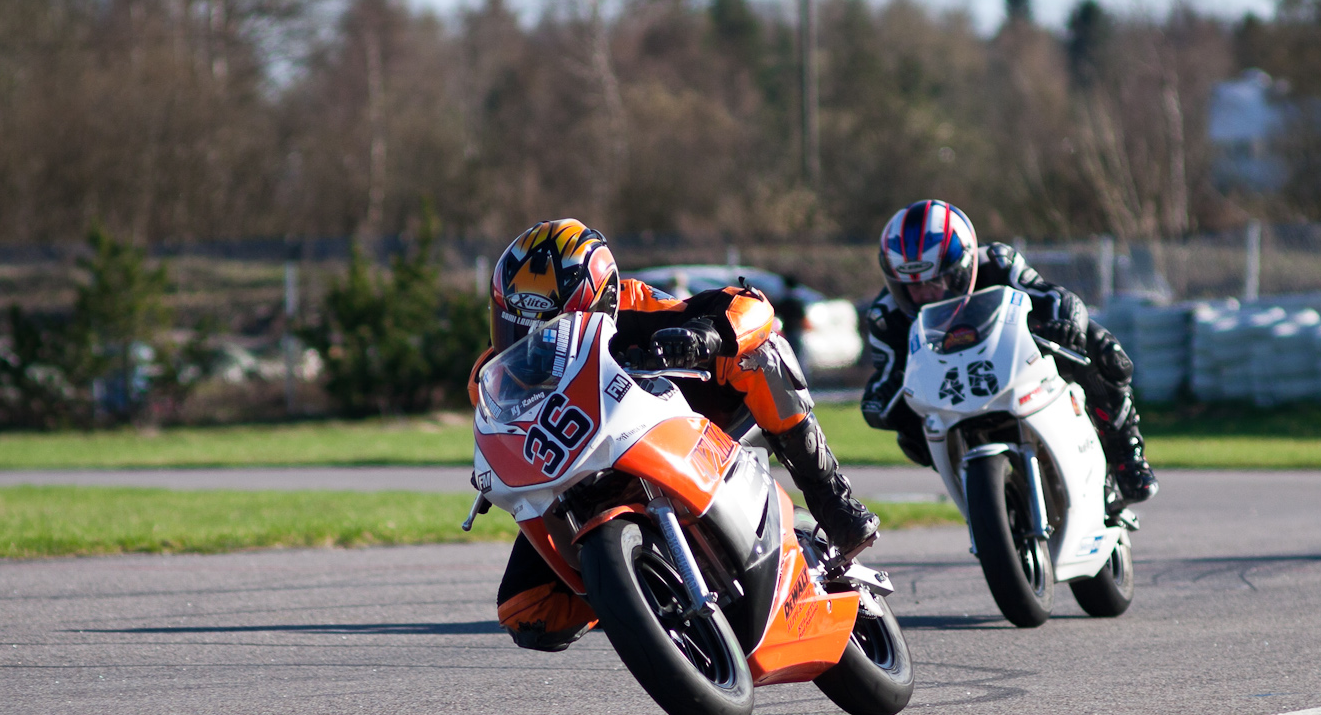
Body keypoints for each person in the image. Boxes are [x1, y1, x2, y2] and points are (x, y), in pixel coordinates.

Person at [477, 219, 880, 652]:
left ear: (600, 300)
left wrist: (704, 336)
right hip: (584, 466)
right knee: (526, 609)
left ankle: (829, 495)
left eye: (548, 323)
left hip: (689, 420)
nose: (530, 339)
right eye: (515, 324)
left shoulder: (635, 305)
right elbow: (494, 426)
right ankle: (647, 593)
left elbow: (751, 306)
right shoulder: (493, 373)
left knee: (759, 352)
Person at [859, 199, 1158, 505]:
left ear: (962, 267)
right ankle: (974, 486)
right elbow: (887, 375)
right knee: (906, 433)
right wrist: (877, 402)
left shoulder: (999, 263)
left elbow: (1056, 297)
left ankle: (1126, 453)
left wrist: (1064, 324)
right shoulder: (886, 315)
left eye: (935, 280)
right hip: (948, 398)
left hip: (1016, 368)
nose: (924, 294)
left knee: (1102, 348)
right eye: (912, 286)